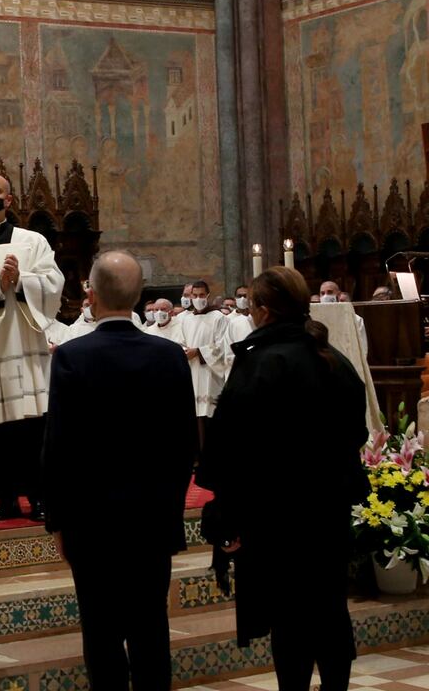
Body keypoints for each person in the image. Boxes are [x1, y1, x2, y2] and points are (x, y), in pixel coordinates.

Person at [199, 267, 368, 691]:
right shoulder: (333, 359)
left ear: (263, 310)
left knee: (289, 619)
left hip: (276, 516)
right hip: (327, 511)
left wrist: (227, 513)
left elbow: (234, 442)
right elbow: (356, 432)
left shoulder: (263, 361)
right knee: (329, 611)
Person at [43, 252, 198, 691]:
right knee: (151, 626)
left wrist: (58, 520)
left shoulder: (72, 356)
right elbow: (184, 442)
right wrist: (169, 509)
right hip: (152, 516)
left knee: (101, 630)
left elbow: (59, 446)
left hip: (91, 520)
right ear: (140, 296)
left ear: (90, 294)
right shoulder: (169, 356)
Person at [0, 173, 64, 521]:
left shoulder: (31, 240)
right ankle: (4, 501)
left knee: (30, 431)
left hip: (24, 346)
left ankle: (38, 498)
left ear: (9, 200)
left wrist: (20, 281)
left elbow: (54, 283)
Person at [178, 280, 229, 424]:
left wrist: (199, 352)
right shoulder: (186, 320)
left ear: (208, 296)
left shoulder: (218, 317)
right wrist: (185, 351)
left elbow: (223, 345)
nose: (198, 299)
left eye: (202, 295)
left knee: (211, 416)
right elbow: (180, 341)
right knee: (194, 416)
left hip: (210, 373)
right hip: (191, 371)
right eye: (195, 295)